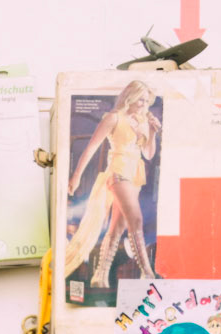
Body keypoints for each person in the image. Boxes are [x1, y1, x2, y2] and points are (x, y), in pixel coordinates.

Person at [64, 80, 160, 289]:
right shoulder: (114, 118)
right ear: (130, 97)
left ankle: (100, 276)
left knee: (117, 227)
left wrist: (152, 132)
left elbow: (148, 154)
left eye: (147, 101)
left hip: (135, 175)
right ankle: (147, 273)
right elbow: (91, 148)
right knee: (136, 220)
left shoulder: (143, 121)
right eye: (140, 100)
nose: (144, 105)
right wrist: (76, 176)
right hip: (118, 171)